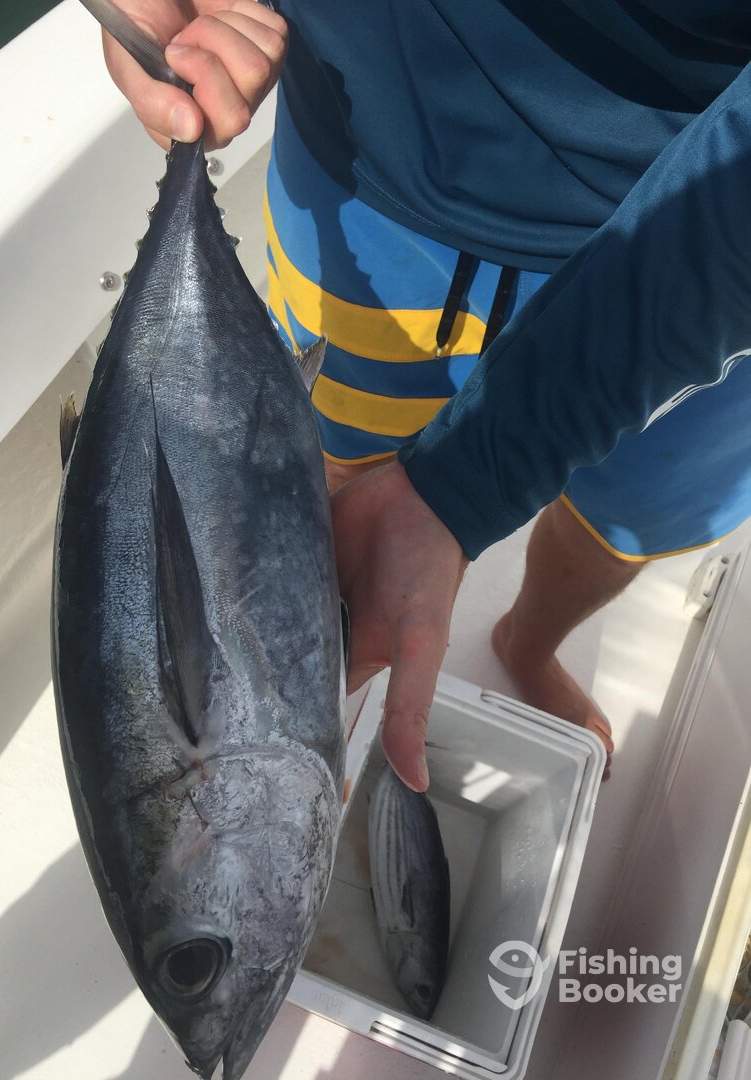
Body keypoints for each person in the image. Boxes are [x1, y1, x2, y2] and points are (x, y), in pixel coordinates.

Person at [102, 0, 751, 790]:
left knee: (626, 523)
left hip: (716, 260)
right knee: (344, 470)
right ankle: (342, 671)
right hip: (380, 172)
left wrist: (470, 485)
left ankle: (527, 644)